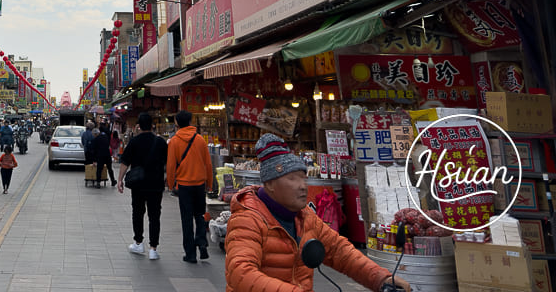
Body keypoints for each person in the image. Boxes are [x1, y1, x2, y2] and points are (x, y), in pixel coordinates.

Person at [226, 134, 411, 292]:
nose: (302, 186)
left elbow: (339, 251)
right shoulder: (247, 219)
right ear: (270, 184)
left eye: (304, 178)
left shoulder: (305, 217)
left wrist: (381, 279)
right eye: (292, 179)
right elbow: (240, 273)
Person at [118, 112, 168, 261]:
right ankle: (153, 248)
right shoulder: (160, 142)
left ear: (138, 126)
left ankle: (138, 243)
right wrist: (168, 179)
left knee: (137, 213)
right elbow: (168, 163)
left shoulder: (134, 141)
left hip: (138, 185)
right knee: (154, 216)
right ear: (152, 126)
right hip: (156, 184)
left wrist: (119, 180)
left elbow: (125, 162)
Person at [166, 109, 213, 264]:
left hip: (184, 186)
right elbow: (208, 163)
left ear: (177, 123)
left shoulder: (174, 141)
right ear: (191, 121)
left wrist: (170, 183)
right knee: (199, 215)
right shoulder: (200, 140)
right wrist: (210, 183)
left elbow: (171, 165)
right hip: (200, 184)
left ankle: (191, 254)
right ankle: (202, 242)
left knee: (186, 219)